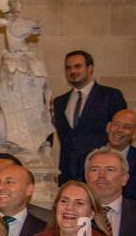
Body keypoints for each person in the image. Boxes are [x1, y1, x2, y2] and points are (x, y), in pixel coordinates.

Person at [53, 51, 129, 185]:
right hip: (68, 174)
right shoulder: (59, 102)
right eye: (68, 68)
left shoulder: (110, 96)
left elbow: (121, 133)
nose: (73, 71)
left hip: (100, 174)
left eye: (77, 66)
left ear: (90, 68)